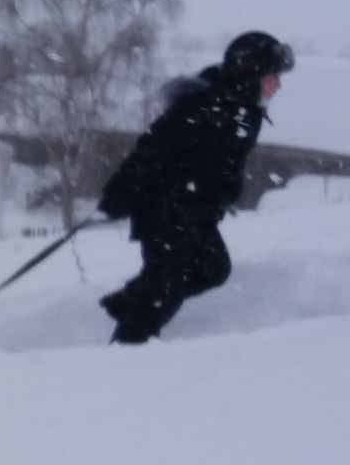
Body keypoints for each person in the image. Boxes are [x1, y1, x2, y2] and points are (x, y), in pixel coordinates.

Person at [96, 31, 295, 344]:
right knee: (166, 286)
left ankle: (131, 303)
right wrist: (119, 194)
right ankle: (126, 349)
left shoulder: (246, 110)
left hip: (197, 211)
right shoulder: (204, 106)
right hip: (164, 207)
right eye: (274, 76)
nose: (278, 85)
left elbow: (226, 166)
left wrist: (223, 197)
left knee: (213, 269)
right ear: (252, 71)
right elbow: (152, 148)